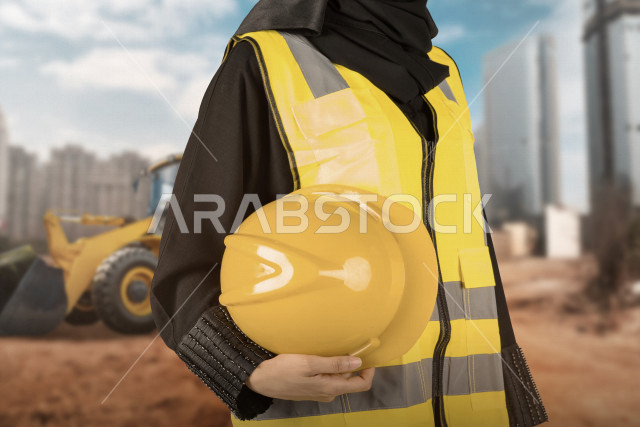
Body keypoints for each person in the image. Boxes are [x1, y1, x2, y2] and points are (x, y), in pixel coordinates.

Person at [150, 1, 548, 426]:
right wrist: (247, 369)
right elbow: (185, 263)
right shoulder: (264, 61)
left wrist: (517, 403)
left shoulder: (442, 71)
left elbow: (471, 250)